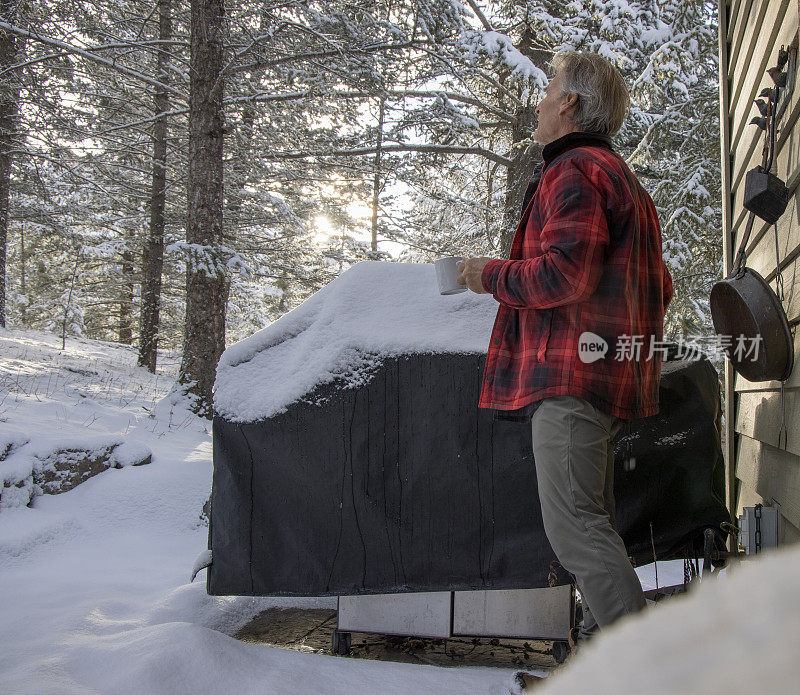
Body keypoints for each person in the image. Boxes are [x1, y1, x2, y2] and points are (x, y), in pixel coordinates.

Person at [457, 51, 674, 651]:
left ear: (570, 103)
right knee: (592, 527)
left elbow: (567, 275)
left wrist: (488, 276)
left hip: (570, 379)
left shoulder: (574, 171)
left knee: (575, 529)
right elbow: (661, 287)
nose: (540, 100)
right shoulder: (621, 178)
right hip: (602, 381)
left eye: (548, 88)